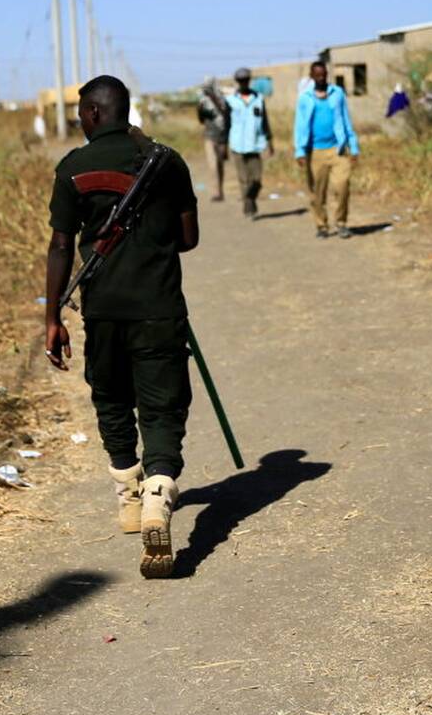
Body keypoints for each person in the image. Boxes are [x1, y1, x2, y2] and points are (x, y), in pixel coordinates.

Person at [44, 74, 199, 580]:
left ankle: (129, 498)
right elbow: (188, 238)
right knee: (163, 404)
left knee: (111, 396)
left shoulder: (73, 168)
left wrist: (52, 317)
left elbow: (61, 246)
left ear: (92, 113)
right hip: (159, 306)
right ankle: (159, 492)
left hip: (103, 310)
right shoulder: (167, 162)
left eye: (80, 114)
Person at [293, 60, 360, 239]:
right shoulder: (305, 98)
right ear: (312, 76)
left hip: (338, 149)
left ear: (327, 75)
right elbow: (299, 125)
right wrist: (299, 150)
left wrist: (353, 146)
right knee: (317, 192)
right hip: (315, 151)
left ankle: (341, 223)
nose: (321, 78)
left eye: (323, 74)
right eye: (317, 75)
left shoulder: (337, 93)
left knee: (342, 185)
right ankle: (322, 225)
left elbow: (346, 119)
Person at [225, 67, 273, 218]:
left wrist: (270, 141)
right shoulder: (230, 101)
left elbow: (265, 121)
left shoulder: (258, 99)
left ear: (249, 81)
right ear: (237, 82)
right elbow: (226, 124)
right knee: (244, 179)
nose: (243, 83)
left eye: (246, 80)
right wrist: (224, 146)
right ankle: (249, 206)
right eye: (241, 81)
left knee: (256, 180)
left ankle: (250, 198)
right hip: (237, 145)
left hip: (255, 144)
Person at [196, 76, 229, 201]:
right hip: (209, 137)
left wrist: (226, 141)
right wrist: (199, 109)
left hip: (221, 137)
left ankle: (220, 190)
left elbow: (226, 118)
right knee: (213, 164)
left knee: (220, 165)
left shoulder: (222, 100)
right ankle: (217, 192)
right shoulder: (204, 102)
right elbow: (201, 120)